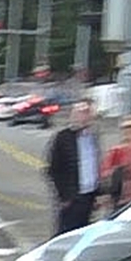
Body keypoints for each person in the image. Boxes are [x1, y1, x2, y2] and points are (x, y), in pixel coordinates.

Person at [44, 99, 101, 234]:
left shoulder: (92, 137)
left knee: (83, 232)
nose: (84, 116)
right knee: (66, 233)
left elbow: (93, 165)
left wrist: (98, 193)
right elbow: (53, 169)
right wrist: (64, 197)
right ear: (73, 115)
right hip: (72, 197)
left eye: (88, 112)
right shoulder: (63, 138)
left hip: (89, 195)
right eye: (81, 113)